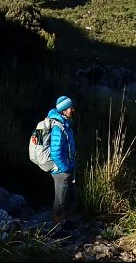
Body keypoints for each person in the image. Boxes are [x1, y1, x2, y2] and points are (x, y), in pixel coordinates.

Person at [47, 94, 77, 225]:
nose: (73, 110)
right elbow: (55, 152)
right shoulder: (58, 127)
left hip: (65, 168)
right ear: (64, 110)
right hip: (61, 171)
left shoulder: (65, 124)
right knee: (60, 201)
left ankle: (63, 223)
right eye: (70, 108)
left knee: (64, 198)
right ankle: (56, 229)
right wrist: (65, 168)